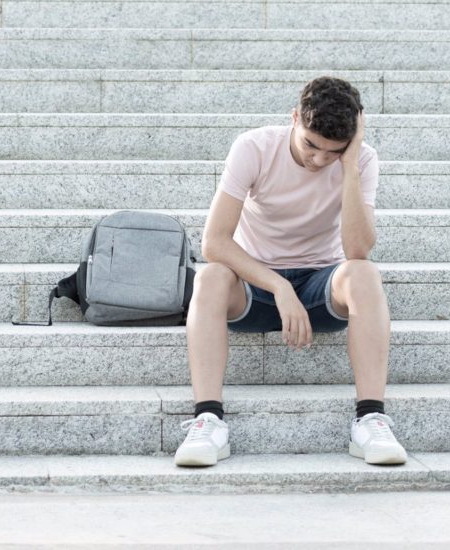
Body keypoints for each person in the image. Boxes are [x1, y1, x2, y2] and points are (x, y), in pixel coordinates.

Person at [174, 76, 408, 467]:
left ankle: (370, 418)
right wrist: (278, 286)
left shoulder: (362, 159)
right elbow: (214, 242)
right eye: (310, 145)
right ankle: (208, 419)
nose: (318, 160)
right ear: (295, 118)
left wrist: (348, 168)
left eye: (332, 152)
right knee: (211, 275)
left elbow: (357, 250)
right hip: (257, 286)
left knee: (364, 274)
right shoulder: (254, 147)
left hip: (322, 286)